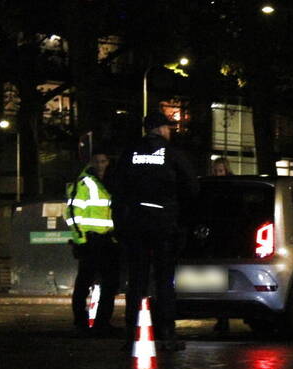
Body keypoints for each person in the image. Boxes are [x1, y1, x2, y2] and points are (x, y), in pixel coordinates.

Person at [111, 112, 198, 351]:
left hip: (135, 224)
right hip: (163, 224)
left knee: (136, 280)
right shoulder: (172, 153)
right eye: (168, 127)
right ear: (160, 129)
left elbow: (116, 190)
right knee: (164, 280)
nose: (170, 131)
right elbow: (191, 187)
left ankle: (131, 334)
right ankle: (167, 333)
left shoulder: (130, 152)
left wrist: (120, 224)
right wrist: (182, 221)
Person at [65, 149, 120, 337]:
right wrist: (81, 239)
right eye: (97, 161)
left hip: (108, 240)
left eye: (103, 161)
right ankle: (81, 322)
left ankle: (102, 322)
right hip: (90, 240)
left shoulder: (111, 182)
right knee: (84, 282)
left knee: (110, 283)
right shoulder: (84, 183)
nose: (100, 165)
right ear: (91, 162)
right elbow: (72, 213)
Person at [209, 156, 233, 334]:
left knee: (223, 280)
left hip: (224, 240)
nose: (218, 174)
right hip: (216, 240)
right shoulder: (212, 188)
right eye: (216, 171)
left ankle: (223, 319)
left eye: (221, 171)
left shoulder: (229, 189)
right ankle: (221, 318)